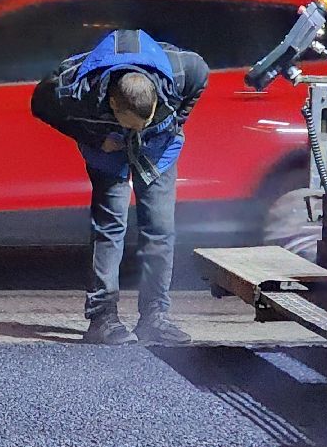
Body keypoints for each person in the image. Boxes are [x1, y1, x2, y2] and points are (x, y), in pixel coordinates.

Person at [31, 29, 209, 347]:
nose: (134, 133)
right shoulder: (72, 86)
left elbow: (201, 78)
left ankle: (154, 319)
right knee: (110, 229)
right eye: (131, 124)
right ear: (112, 102)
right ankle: (102, 319)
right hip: (106, 147)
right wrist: (95, 138)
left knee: (161, 229)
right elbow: (40, 105)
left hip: (158, 145)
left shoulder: (184, 70)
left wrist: (177, 120)